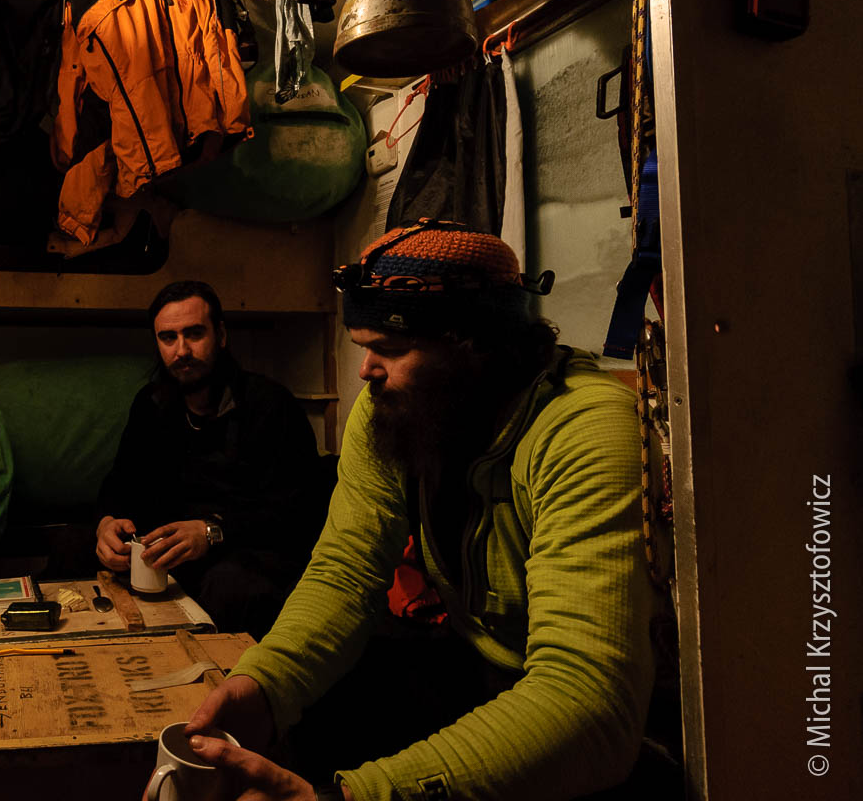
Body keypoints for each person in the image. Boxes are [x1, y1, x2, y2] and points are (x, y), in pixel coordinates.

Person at [171, 219, 672, 801]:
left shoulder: (585, 430)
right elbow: (346, 570)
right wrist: (265, 685)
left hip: (596, 718)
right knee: (320, 705)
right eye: (362, 347)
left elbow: (587, 699)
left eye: (389, 349)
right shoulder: (395, 408)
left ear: (475, 346)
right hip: (475, 664)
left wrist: (355, 797)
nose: (366, 370)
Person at [94, 281, 332, 639]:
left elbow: (298, 512)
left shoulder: (270, 405)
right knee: (72, 551)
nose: (182, 350)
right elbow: (121, 481)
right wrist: (106, 524)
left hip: (246, 555)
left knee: (231, 587)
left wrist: (211, 531)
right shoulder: (152, 404)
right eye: (168, 338)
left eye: (194, 334)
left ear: (220, 336)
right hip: (167, 556)